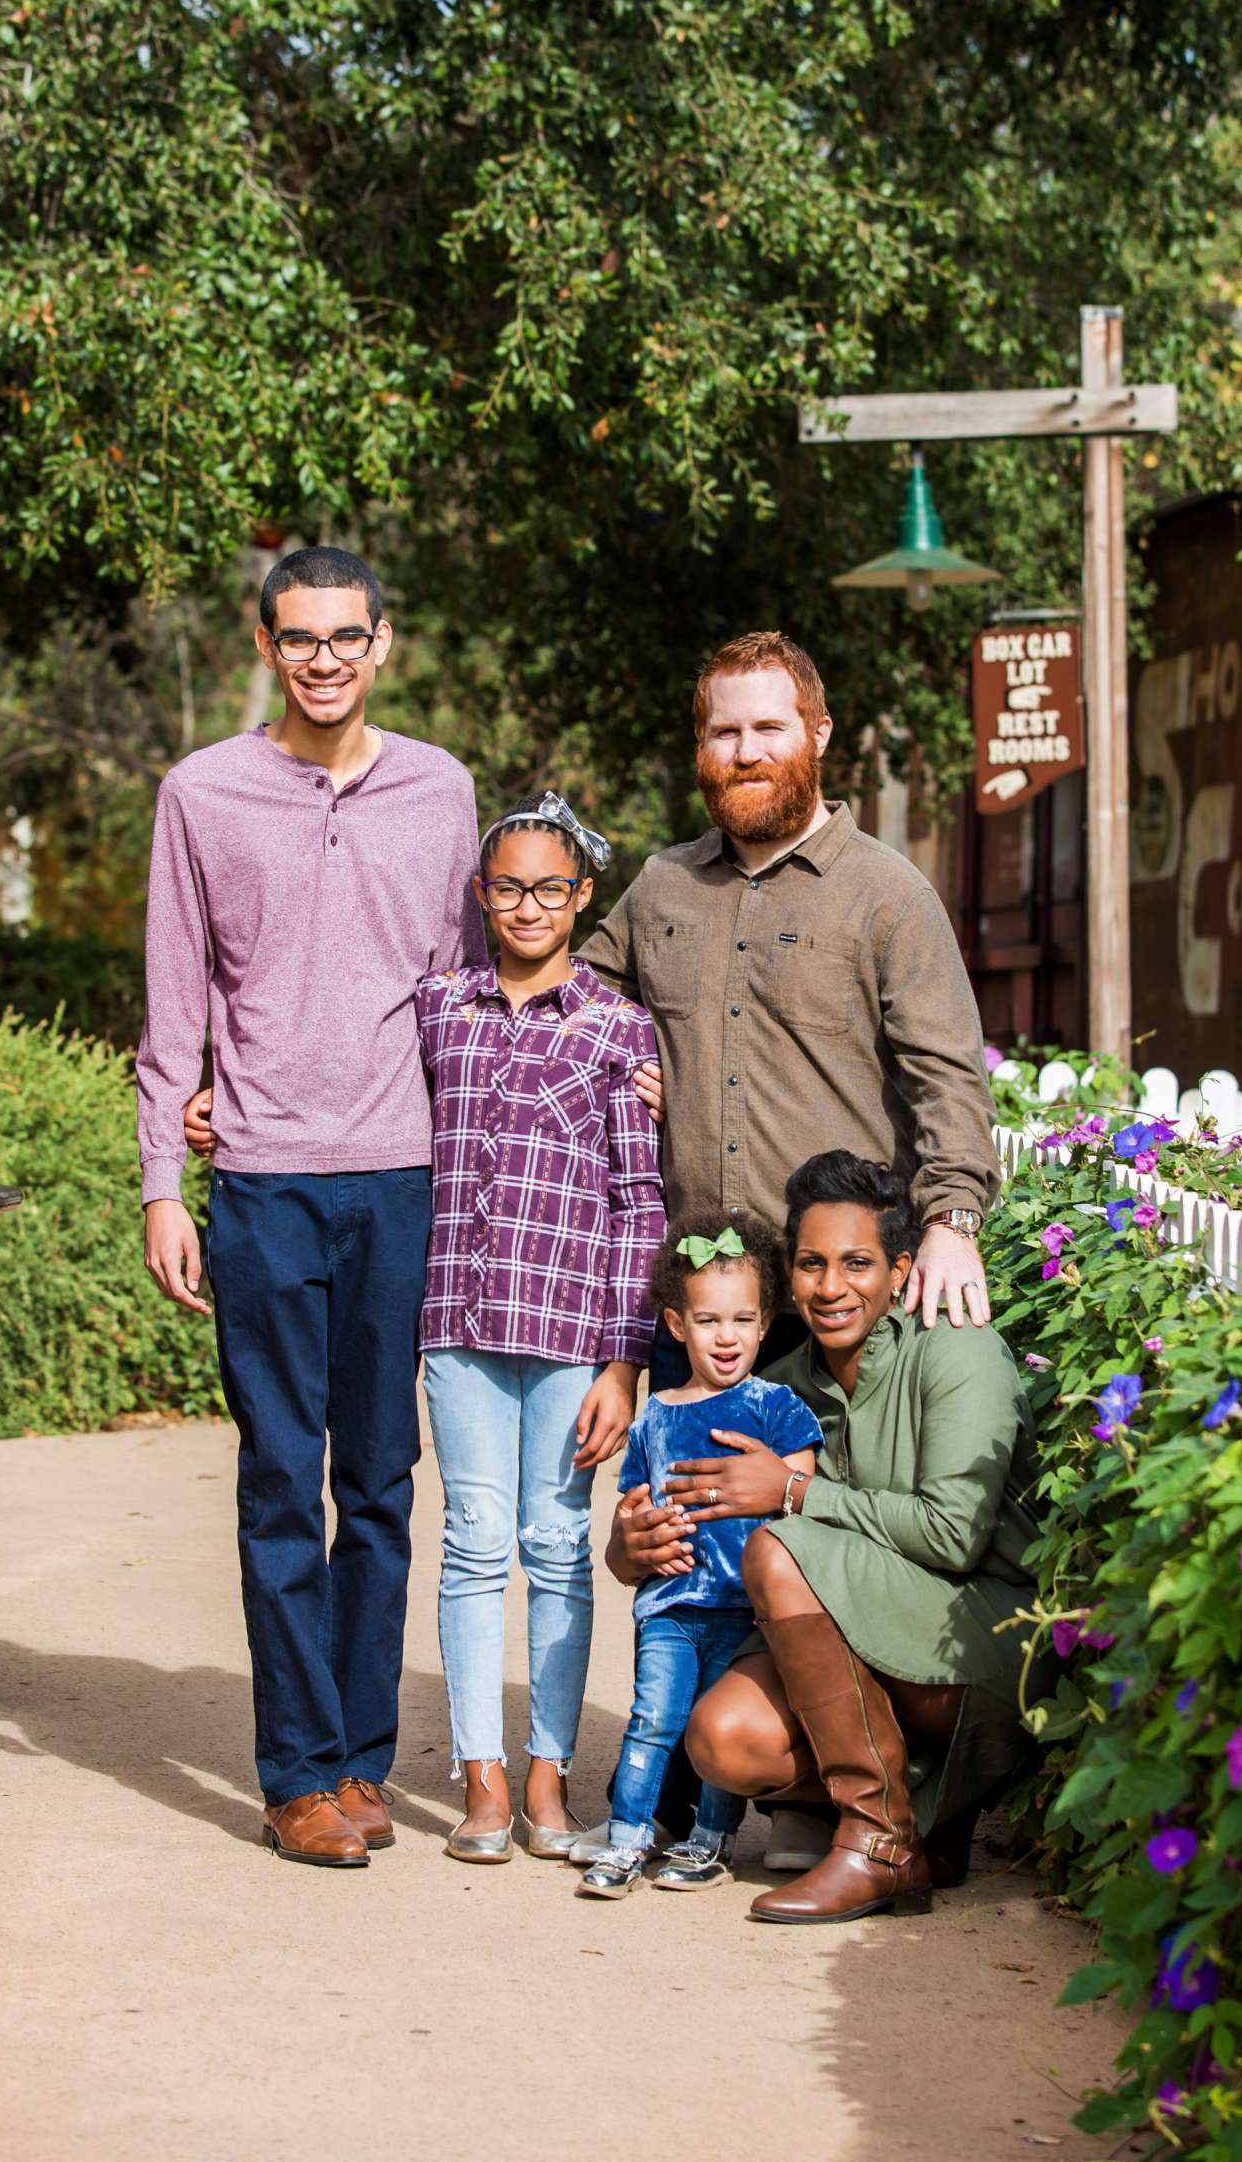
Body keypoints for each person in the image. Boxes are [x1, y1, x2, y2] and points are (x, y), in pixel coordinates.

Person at [582, 627, 1003, 1874]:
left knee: (823, 1541)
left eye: (769, 727)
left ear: (817, 733)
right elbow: (554, 1001)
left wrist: (953, 1219)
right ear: (697, 745)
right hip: (707, 1297)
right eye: (723, 730)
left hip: (831, 1299)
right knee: (680, 1533)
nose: (745, 750)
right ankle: (682, 1773)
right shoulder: (659, 891)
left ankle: (868, 1788)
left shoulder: (886, 892)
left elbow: (944, 1077)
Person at [136, 545, 483, 1869]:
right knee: (282, 1480)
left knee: (383, 1484)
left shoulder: (439, 790)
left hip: (405, 1178)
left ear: (383, 643)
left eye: (348, 637)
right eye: (301, 638)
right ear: (268, 645)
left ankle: (355, 1756)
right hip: (267, 1182)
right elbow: (175, 1003)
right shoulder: (203, 794)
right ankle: (293, 1774)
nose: (325, 659)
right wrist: (166, 1178)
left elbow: (464, 986)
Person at [661, 1150, 1046, 1925]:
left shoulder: (958, 1350)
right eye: (810, 1265)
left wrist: (796, 1491)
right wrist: (639, 1544)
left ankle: (878, 1844)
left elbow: (954, 1536)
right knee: (724, 1739)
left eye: (857, 1263)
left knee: (785, 1543)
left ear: (902, 1270)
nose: (831, 1287)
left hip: (987, 1651)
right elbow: (722, 1544)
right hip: (868, 1649)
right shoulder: (786, 1390)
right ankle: (920, 1821)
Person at [415, 792, 665, 1865]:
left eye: (549, 888)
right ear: (481, 895)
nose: (527, 905)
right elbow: (352, 1110)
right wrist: (216, 1110)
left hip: (570, 1334)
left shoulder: (619, 1031)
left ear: (581, 897)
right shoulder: (437, 1011)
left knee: (558, 1546)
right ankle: (479, 1778)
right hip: (458, 1322)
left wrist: (625, 1362)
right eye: (507, 886)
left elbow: (639, 1200)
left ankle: (550, 1776)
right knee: (473, 1544)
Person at [575, 1217, 822, 1902]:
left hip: (745, 1613)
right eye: (708, 1319)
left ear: (766, 1323)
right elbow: (633, 1505)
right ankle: (628, 1839)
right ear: (677, 1325)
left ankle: (708, 1841)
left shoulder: (777, 1406)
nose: (727, 1336)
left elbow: (805, 1501)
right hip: (670, 1606)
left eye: (743, 1319)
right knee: (653, 1719)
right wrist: (637, 1526)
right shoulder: (655, 1414)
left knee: (713, 1737)